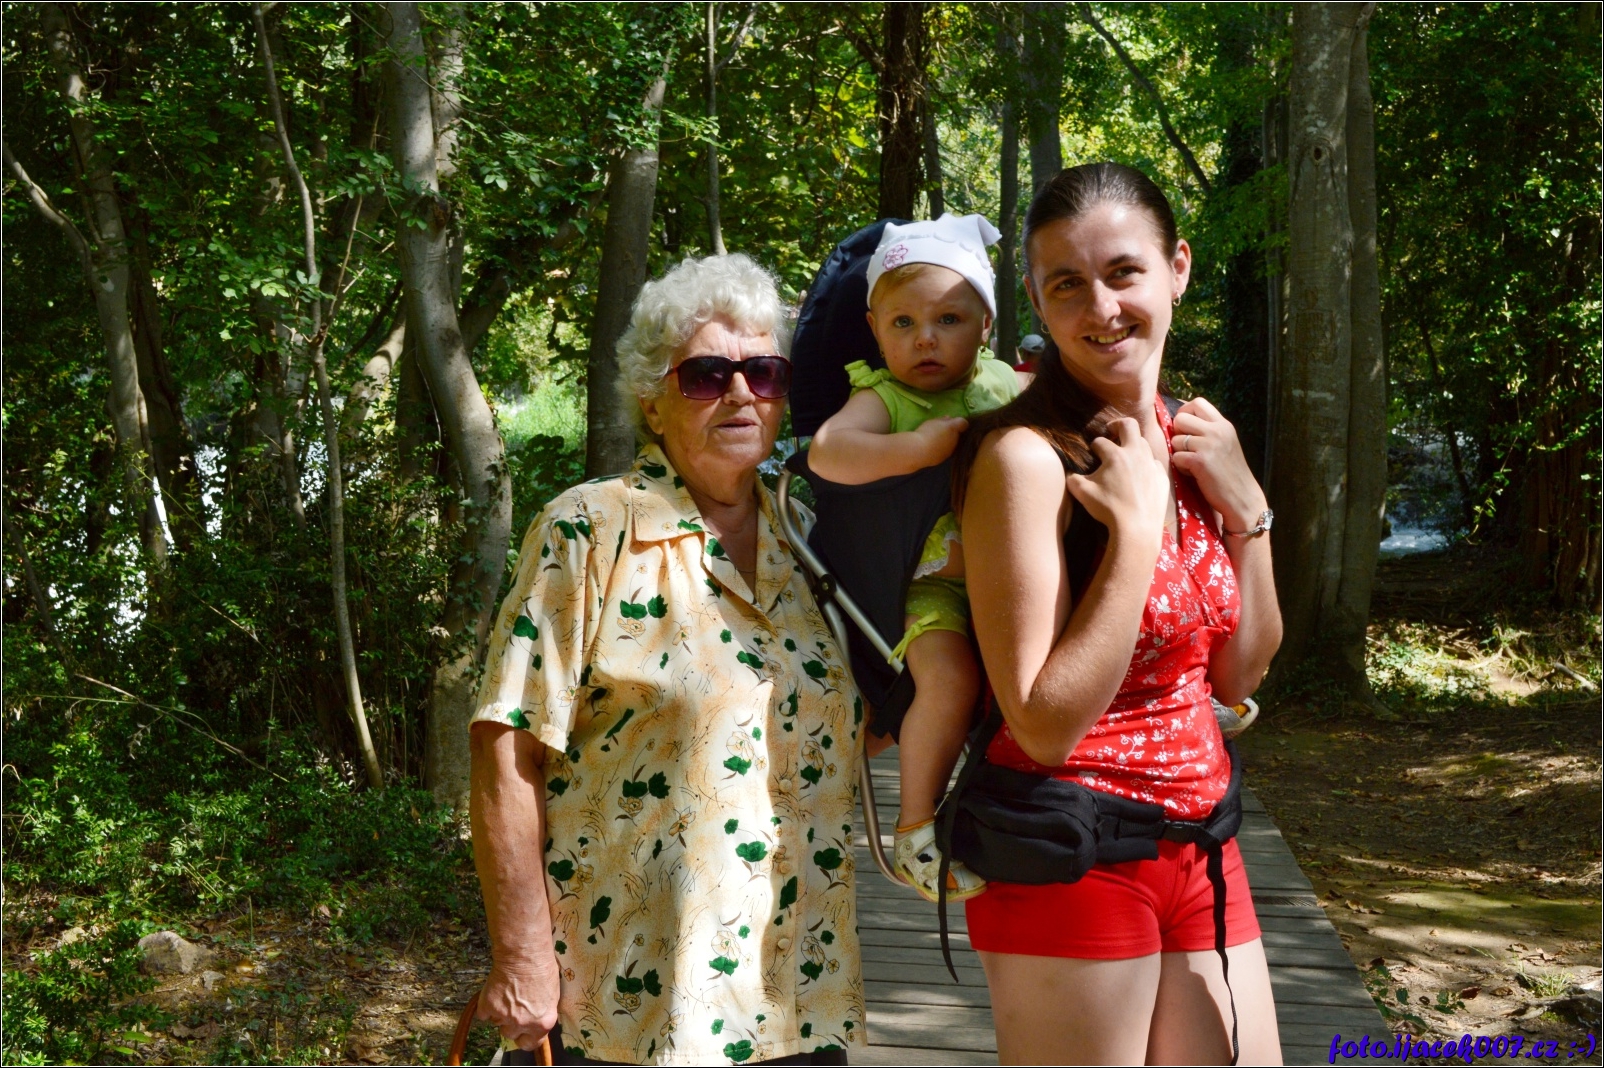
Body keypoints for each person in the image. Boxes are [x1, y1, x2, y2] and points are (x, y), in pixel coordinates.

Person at [469, 254, 867, 1066]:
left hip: (799, 999)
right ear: (652, 401)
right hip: (633, 1006)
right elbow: (505, 747)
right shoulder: (591, 531)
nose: (741, 393)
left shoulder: (809, 537)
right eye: (706, 375)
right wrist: (521, 956)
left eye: (764, 372)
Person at [952, 163, 1285, 1064]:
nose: (1101, 307)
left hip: (1202, 842)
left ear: (1177, 270)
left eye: (1124, 272)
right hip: (1070, 845)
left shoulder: (1197, 441)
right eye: (1067, 284)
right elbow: (1041, 721)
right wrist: (1135, 535)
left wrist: (1248, 509)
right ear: (1036, 300)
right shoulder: (1025, 459)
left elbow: (1239, 673)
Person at [808, 213, 1029, 904]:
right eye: (902, 323)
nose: (924, 338)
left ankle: (1178, 691)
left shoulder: (1007, 385)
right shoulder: (884, 398)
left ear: (986, 324)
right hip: (932, 590)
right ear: (875, 331)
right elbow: (827, 453)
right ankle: (914, 829)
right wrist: (915, 449)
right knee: (949, 678)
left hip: (1019, 580)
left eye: (948, 319)